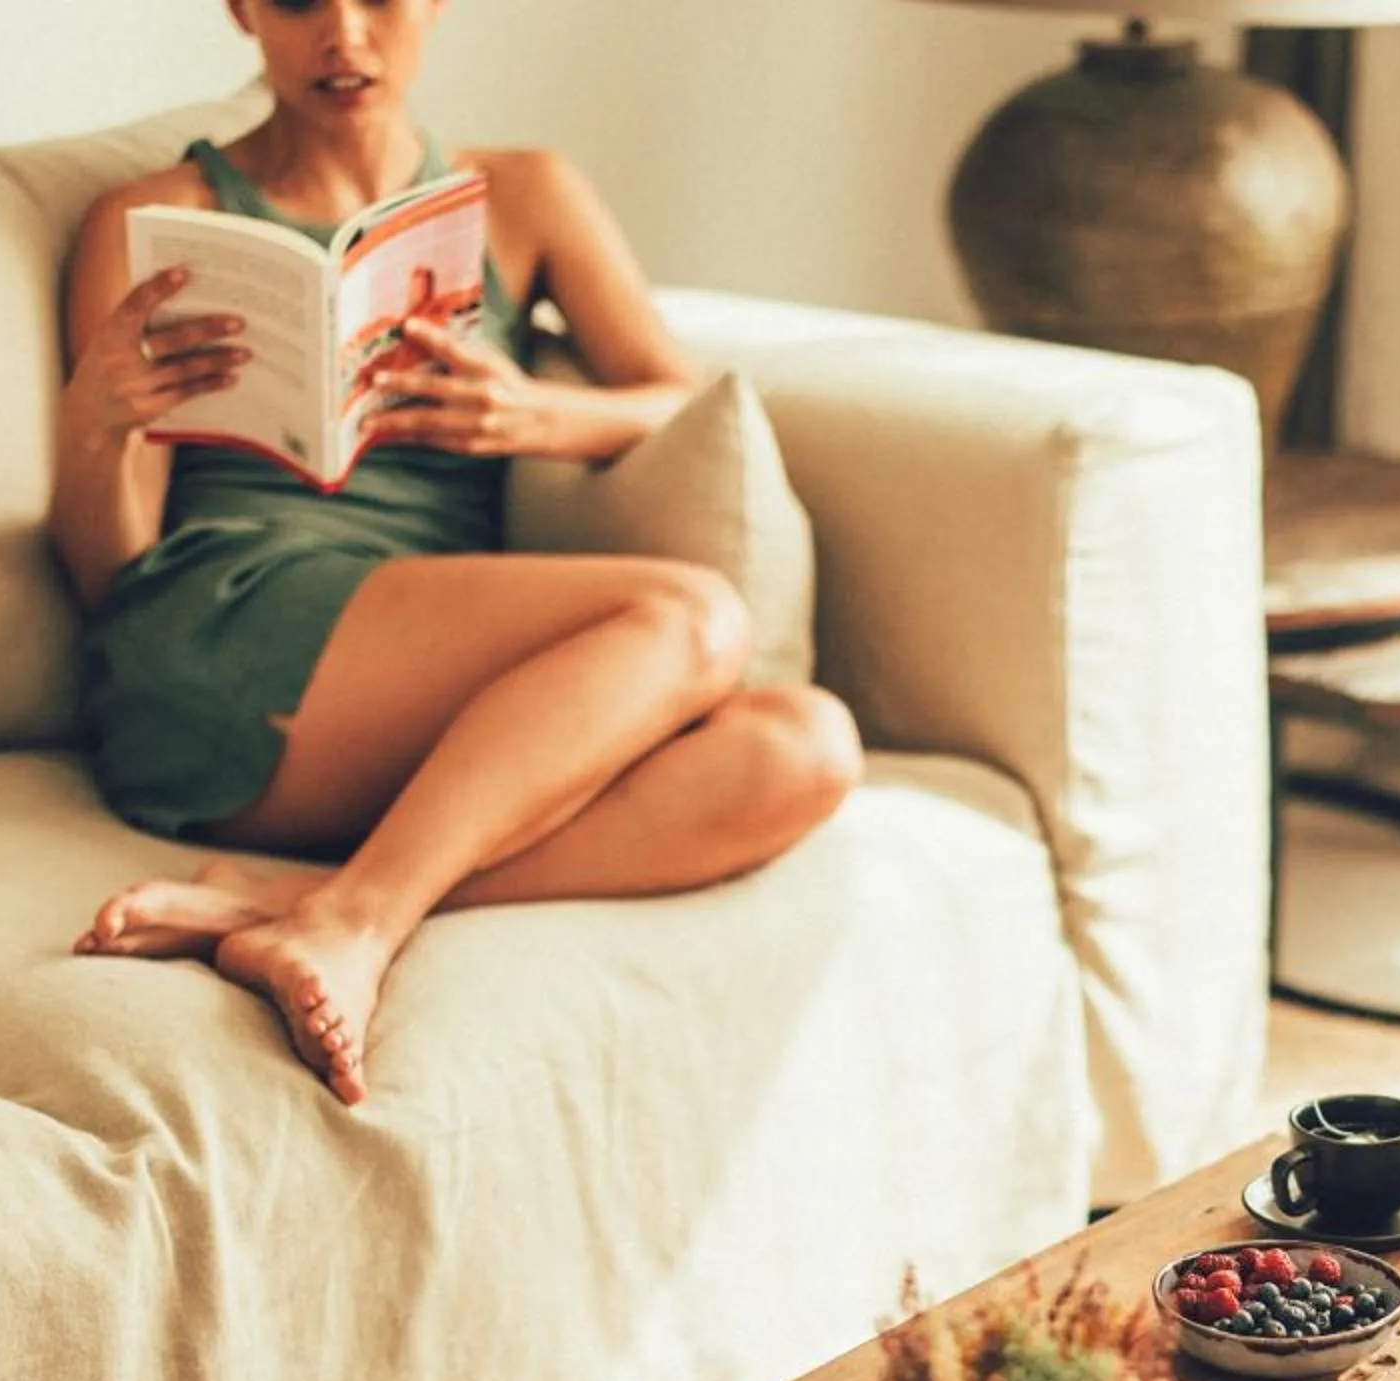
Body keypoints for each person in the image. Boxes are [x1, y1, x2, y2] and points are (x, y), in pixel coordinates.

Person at [50, 0, 862, 1107]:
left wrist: (536, 417)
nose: (343, 34)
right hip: (221, 638)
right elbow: (114, 575)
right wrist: (95, 426)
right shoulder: (156, 216)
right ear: (243, 10)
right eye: (297, 1)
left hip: (427, 698)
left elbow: (675, 392)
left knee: (802, 747)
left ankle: (311, 897)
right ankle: (354, 926)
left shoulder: (525, 195)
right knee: (691, 618)